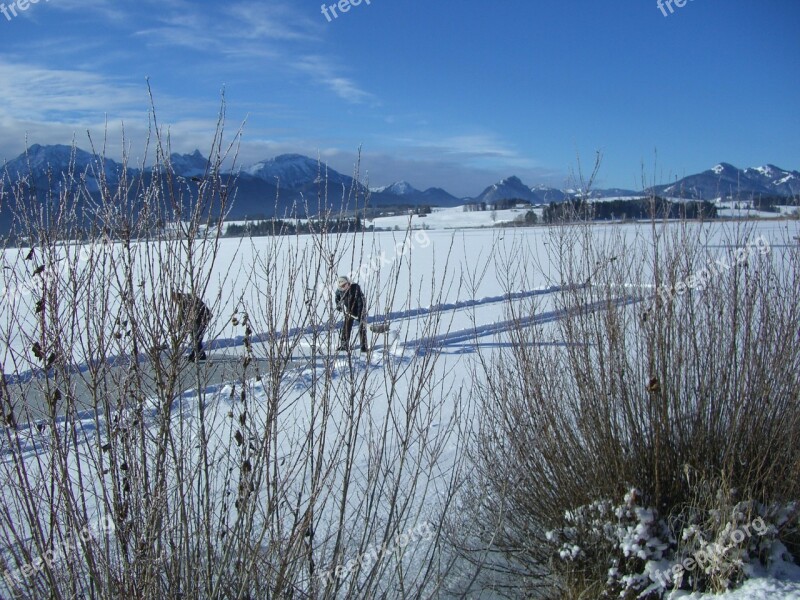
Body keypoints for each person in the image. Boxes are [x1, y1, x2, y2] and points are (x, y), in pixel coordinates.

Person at [171, 289, 212, 361]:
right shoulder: (188, 297)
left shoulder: (184, 300)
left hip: (201, 318)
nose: (175, 302)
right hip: (202, 317)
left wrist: (177, 327)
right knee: (196, 336)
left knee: (196, 336)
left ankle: (196, 354)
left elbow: (181, 315)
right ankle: (200, 354)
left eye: (174, 300)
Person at [334, 276, 368, 352]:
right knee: (346, 326)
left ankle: (364, 346)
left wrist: (360, 314)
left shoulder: (355, 289)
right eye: (341, 286)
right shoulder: (339, 291)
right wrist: (338, 305)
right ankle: (344, 344)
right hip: (349, 310)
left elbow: (361, 302)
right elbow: (337, 298)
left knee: (362, 327)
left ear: (348, 283)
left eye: (344, 285)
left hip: (359, 308)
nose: (343, 287)